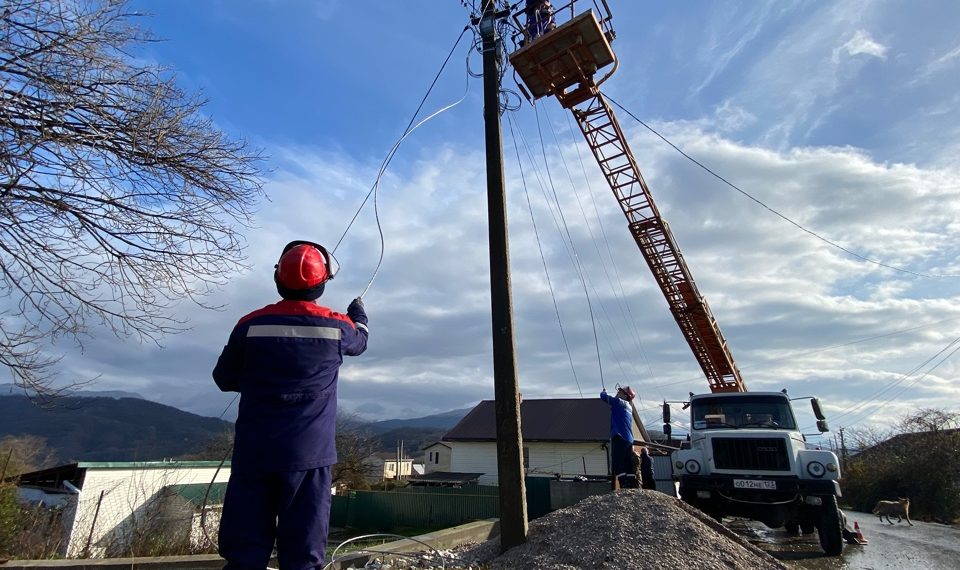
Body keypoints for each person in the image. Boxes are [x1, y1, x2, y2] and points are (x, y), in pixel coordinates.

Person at [213, 240, 369, 569]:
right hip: (309, 457)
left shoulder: (249, 324)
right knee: (302, 556)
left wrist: (260, 384)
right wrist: (359, 314)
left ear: (278, 279)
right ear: (323, 283)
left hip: (254, 453)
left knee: (244, 555)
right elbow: (361, 341)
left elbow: (224, 378)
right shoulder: (338, 326)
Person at [600, 386, 637, 489]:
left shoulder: (619, 402)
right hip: (629, 438)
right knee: (627, 462)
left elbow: (604, 397)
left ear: (626, 396)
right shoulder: (629, 407)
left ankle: (623, 484)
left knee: (617, 462)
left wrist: (604, 391)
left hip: (619, 436)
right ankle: (631, 484)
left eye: (620, 391)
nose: (617, 392)